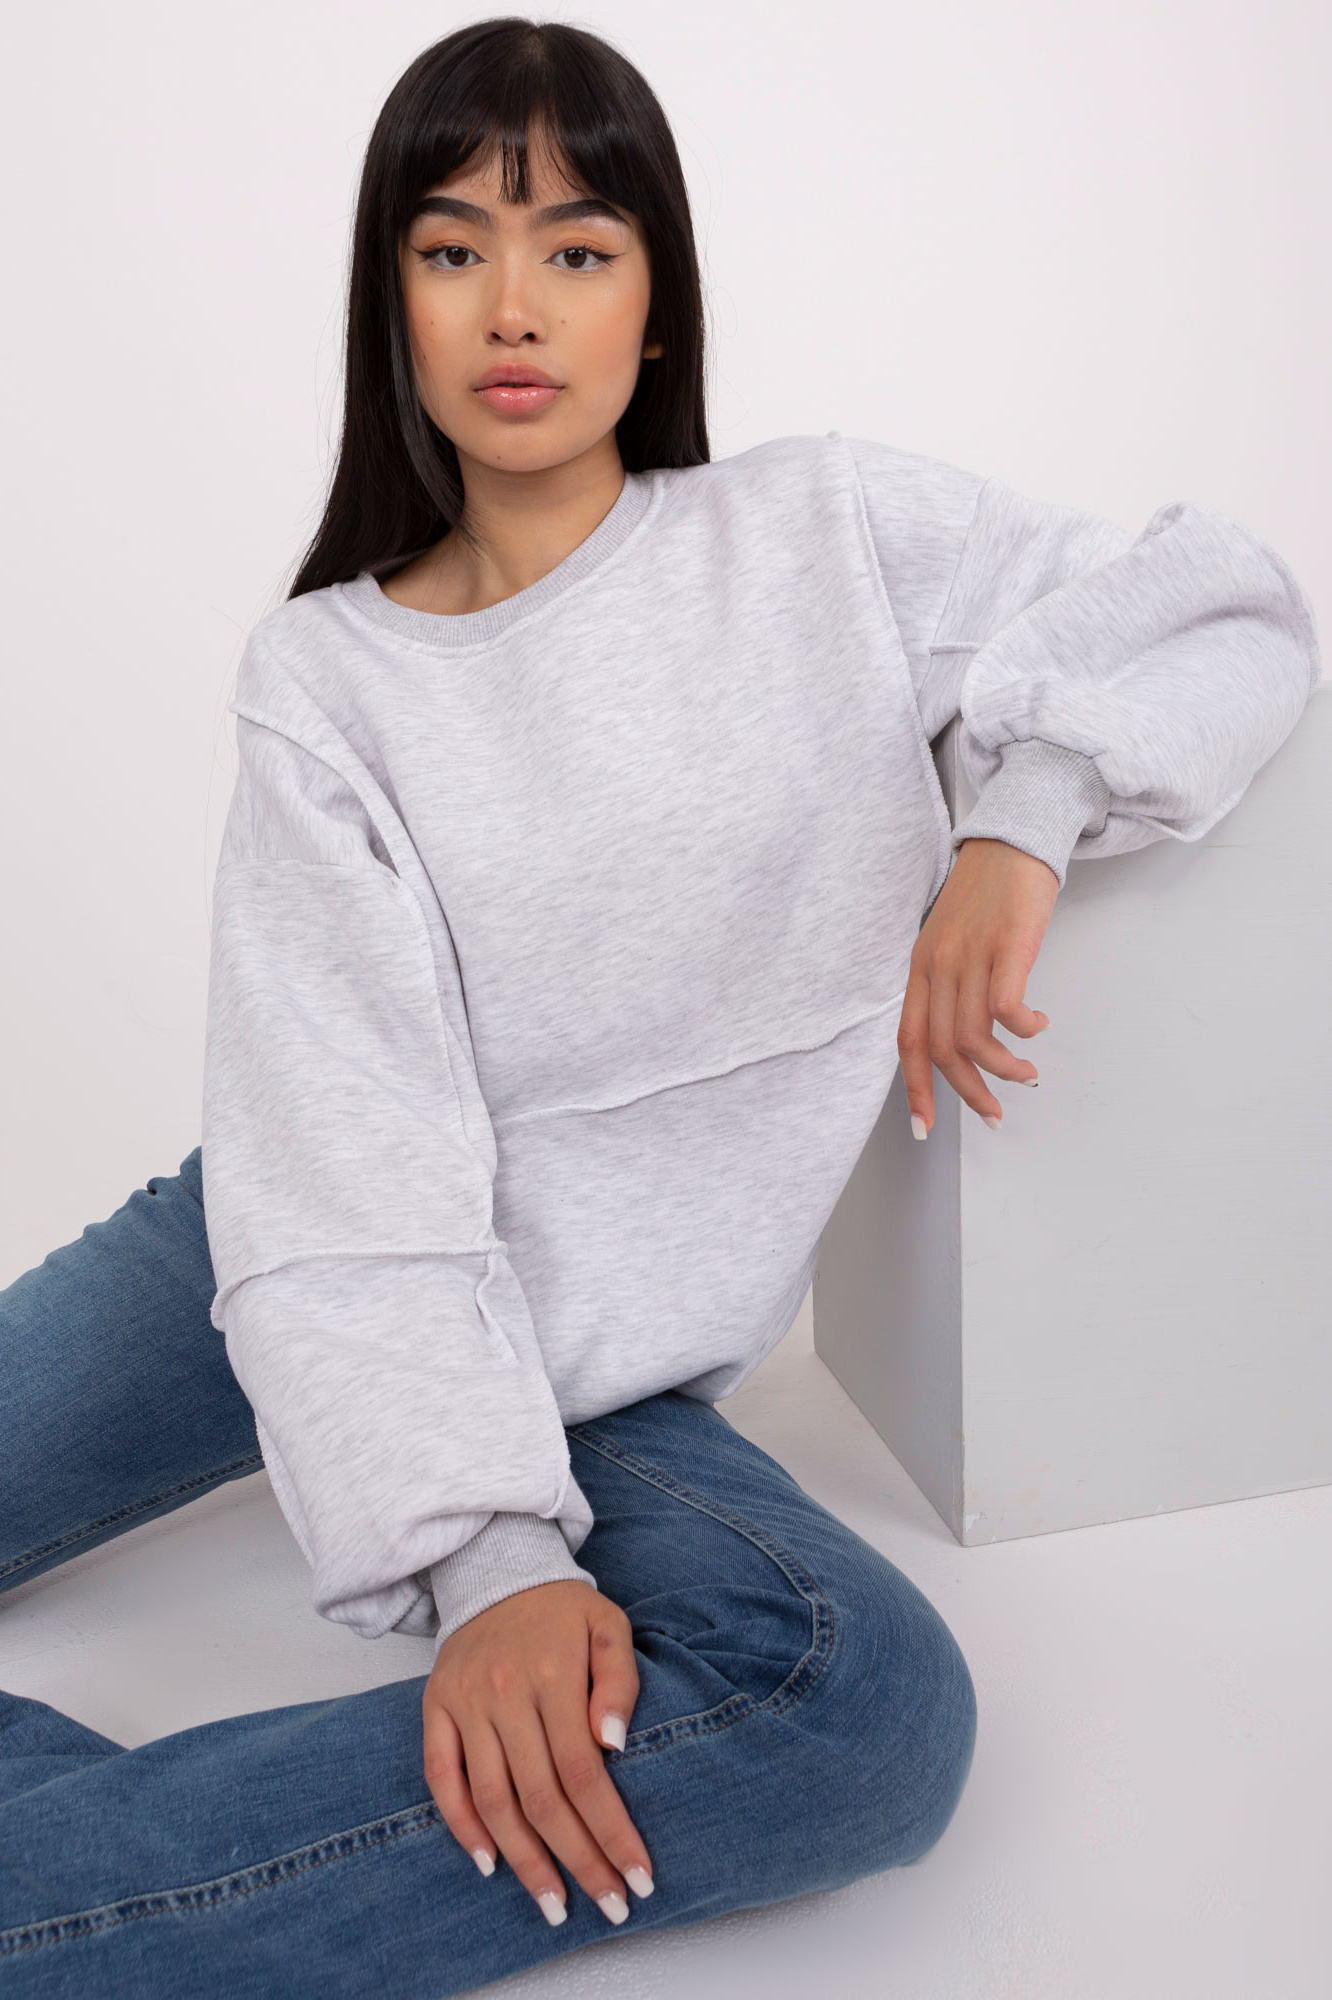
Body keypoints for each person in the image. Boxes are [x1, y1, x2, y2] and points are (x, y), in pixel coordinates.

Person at [0, 16, 1318, 1998]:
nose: (513, 306)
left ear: (659, 299)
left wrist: (1020, 816)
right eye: (452, 250)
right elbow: (340, 1155)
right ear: (391, 304)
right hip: (296, 1242)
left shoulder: (827, 534)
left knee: (859, 1712)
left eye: (578, 247)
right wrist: (489, 1567)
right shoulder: (328, 678)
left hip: (601, 1365)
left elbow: (1222, 596)